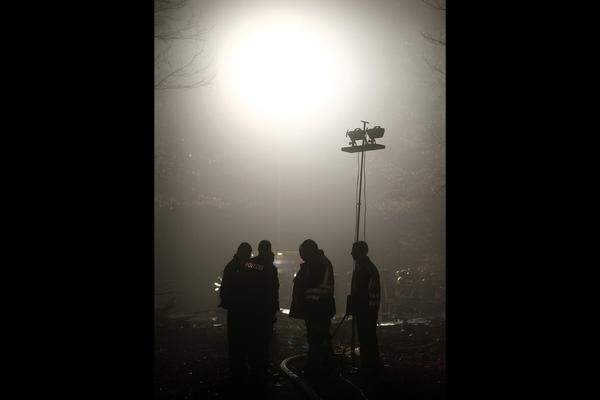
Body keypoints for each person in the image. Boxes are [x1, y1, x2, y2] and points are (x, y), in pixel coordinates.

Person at [218, 242, 278, 386]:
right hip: (253, 310)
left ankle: (242, 370)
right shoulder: (254, 266)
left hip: (246, 310)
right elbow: (271, 290)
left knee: (241, 342)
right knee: (257, 342)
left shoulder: (246, 265)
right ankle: (254, 370)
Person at [289, 239, 337, 381]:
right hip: (318, 308)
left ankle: (316, 369)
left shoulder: (318, 263)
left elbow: (311, 286)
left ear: (309, 251)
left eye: (302, 252)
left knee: (316, 339)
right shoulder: (317, 262)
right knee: (318, 338)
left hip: (318, 308)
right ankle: (326, 367)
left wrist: (303, 299)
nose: (301, 256)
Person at [349, 241, 381, 378]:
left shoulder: (366, 269)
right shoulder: (362, 267)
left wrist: (369, 311)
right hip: (364, 310)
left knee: (367, 339)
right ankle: (368, 366)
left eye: (353, 250)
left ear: (360, 252)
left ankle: (369, 367)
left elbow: (371, 292)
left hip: (366, 311)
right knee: (365, 339)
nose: (351, 253)